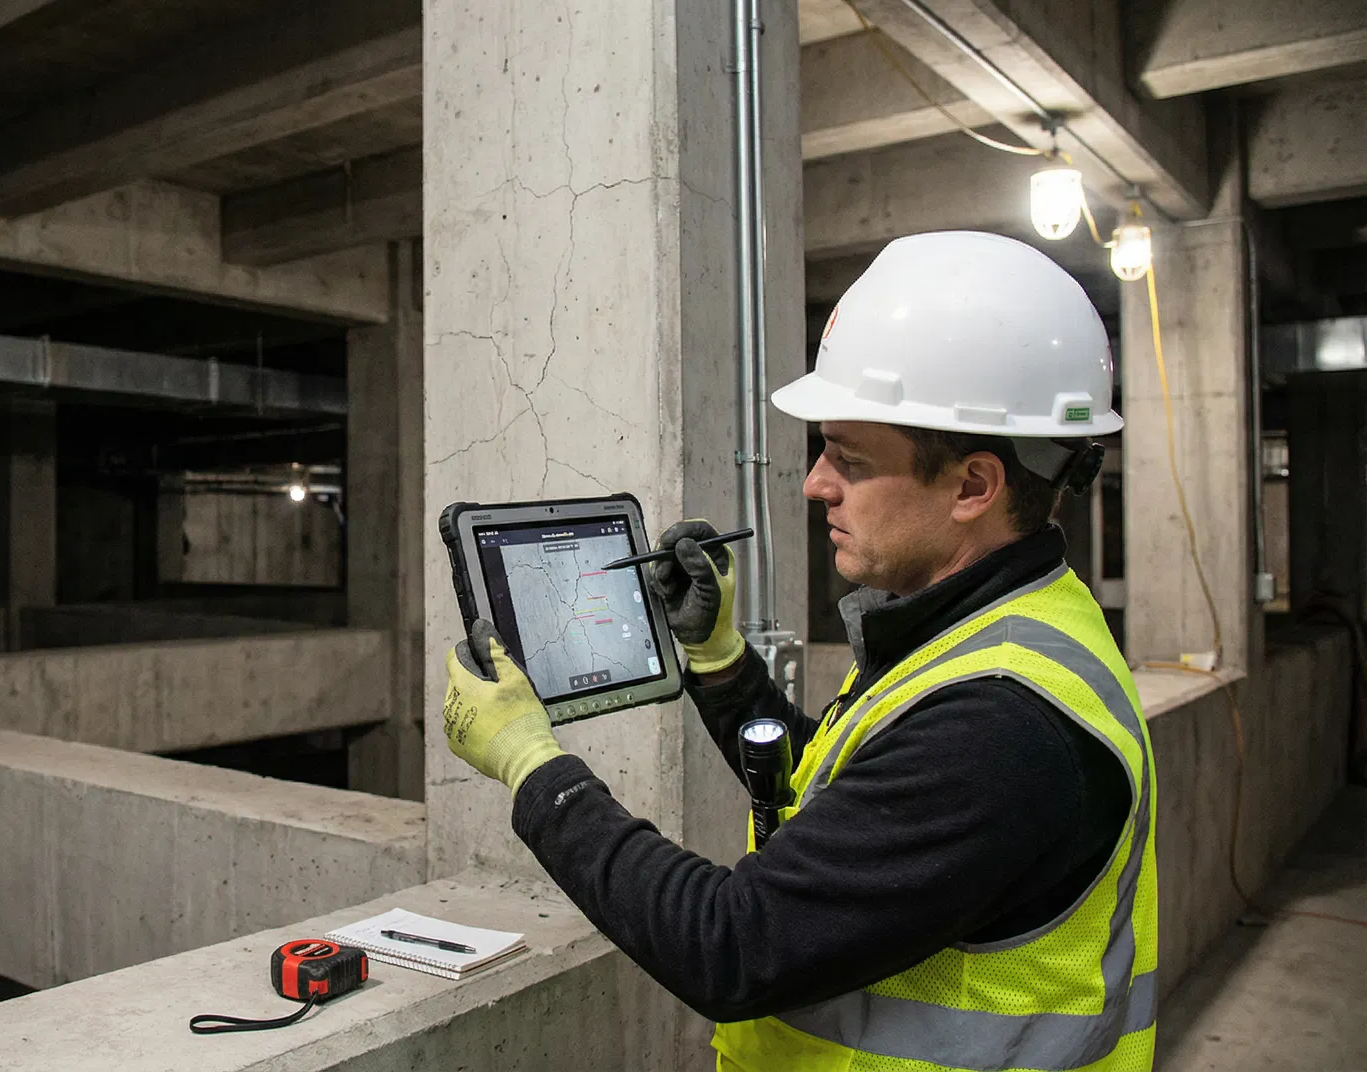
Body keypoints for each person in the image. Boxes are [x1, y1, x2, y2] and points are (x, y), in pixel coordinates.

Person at [439, 230, 1156, 1072]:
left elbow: (734, 945)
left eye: (849, 459)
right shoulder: (990, 626)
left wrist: (533, 765)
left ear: (973, 486)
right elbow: (846, 793)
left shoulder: (1003, 724)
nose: (817, 482)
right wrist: (718, 657)